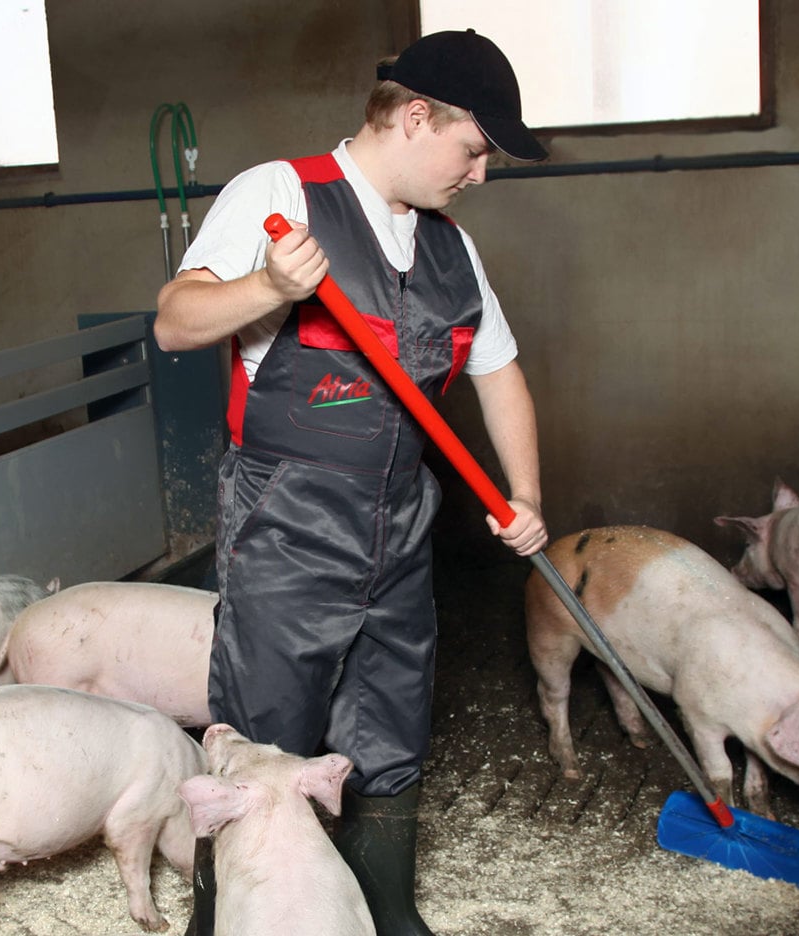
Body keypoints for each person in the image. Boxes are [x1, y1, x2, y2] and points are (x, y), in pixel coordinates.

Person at [155, 27, 549, 936]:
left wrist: (525, 493)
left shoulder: (451, 247)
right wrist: (268, 286)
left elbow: (498, 370)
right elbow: (176, 322)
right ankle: (230, 918)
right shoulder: (280, 192)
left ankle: (386, 910)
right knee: (265, 741)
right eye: (474, 149)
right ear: (415, 118)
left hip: (402, 525)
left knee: (390, 722)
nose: (480, 173)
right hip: (288, 522)